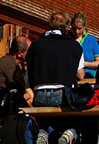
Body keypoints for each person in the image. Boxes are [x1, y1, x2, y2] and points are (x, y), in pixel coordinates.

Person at [26, 11, 85, 144]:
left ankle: (42, 132)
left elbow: (28, 69)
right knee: (81, 114)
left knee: (45, 117)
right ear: (67, 27)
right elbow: (80, 75)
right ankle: (69, 132)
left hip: (39, 94)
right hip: (62, 93)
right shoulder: (74, 46)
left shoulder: (36, 45)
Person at [71, 12, 99, 79]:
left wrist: (82, 64)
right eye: (74, 28)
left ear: (84, 27)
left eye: (79, 29)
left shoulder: (91, 40)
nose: (77, 31)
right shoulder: (68, 39)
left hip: (89, 77)